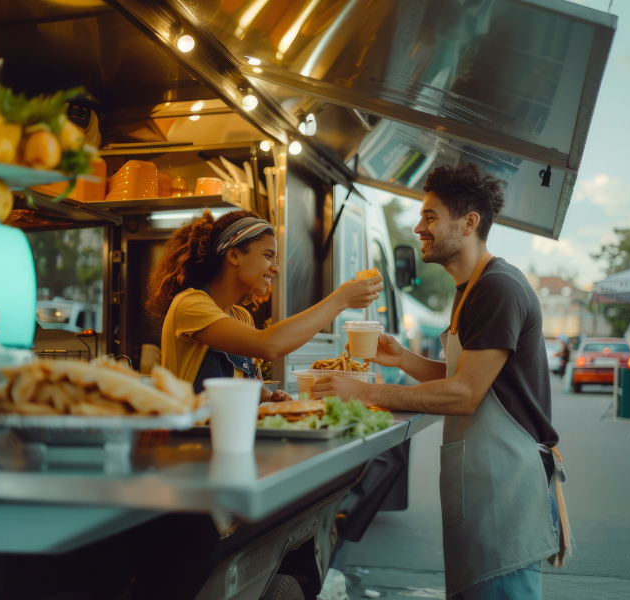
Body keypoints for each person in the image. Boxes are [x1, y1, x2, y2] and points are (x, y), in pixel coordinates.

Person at [311, 163, 565, 599]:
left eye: (430, 216)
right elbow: (472, 377)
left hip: (505, 488)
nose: (417, 227)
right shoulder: (471, 287)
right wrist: (404, 359)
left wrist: (366, 391)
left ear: (469, 223)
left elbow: (466, 394)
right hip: (486, 483)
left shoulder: (498, 288)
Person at [146, 209, 382, 395]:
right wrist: (340, 299)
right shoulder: (190, 304)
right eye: (268, 256)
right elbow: (269, 345)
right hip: (190, 445)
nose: (276, 268)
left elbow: (254, 391)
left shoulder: (241, 317)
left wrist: (272, 397)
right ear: (234, 254)